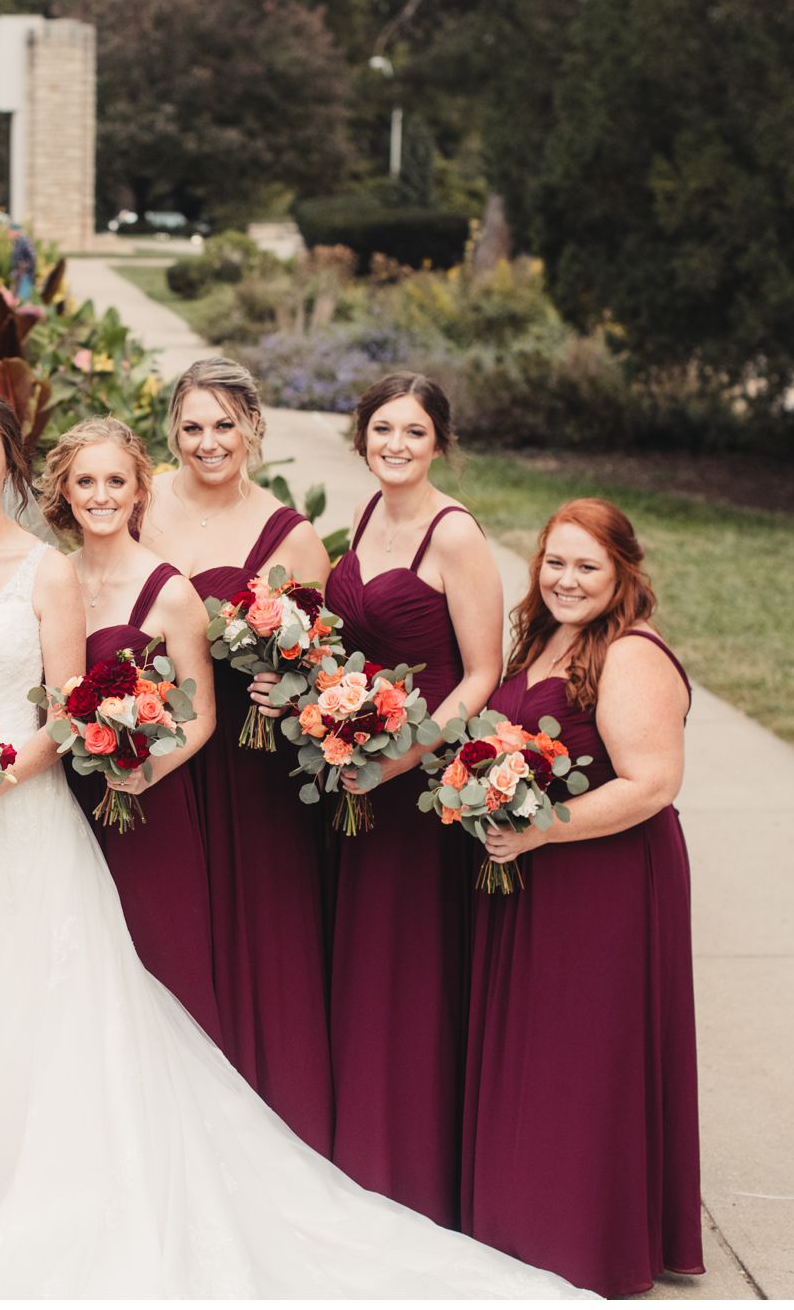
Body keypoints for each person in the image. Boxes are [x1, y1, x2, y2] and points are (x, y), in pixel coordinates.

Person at [0, 389, 588, 1299]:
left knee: (24, 1010)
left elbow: (61, 706)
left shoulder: (44, 572)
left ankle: (4, 1208)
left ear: (10, 471)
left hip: (11, 808)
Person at [462, 498, 703, 1295]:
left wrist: (540, 830)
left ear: (623, 572)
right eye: (554, 562)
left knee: (584, 1058)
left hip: (604, 878)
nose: (566, 580)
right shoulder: (545, 634)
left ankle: (583, 1239)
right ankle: (525, 1217)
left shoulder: (631, 654)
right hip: (537, 870)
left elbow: (652, 784)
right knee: (540, 1049)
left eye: (587, 567)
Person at [317, 372, 502, 1226]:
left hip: (421, 782)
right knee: (366, 959)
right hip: (358, 764)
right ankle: (365, 1153)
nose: (395, 445)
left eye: (413, 433)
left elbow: (482, 675)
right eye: (382, 429)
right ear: (362, 438)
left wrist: (403, 758)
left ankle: (419, 1170)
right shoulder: (364, 516)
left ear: (439, 444)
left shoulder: (453, 533)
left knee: (412, 964)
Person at [138, 357, 334, 1152]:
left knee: (259, 932)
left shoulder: (293, 535)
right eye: (192, 426)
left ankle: (265, 1127)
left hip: (252, 765)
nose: (208, 442)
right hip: (154, 756)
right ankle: (163, 1122)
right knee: (163, 931)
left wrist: (289, 689)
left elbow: (315, 662)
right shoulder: (140, 503)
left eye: (224, 424)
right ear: (172, 432)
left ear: (254, 428)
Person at [39, 418, 223, 1044]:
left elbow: (201, 715)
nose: (101, 495)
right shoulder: (48, 576)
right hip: (61, 802)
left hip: (148, 803)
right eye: (85, 480)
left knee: (156, 963)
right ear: (64, 490)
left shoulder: (170, 592)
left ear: (140, 489)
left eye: (116, 480)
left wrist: (146, 770)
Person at [8, 222, 36, 301]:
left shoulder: (24, 242)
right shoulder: (16, 243)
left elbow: (33, 258)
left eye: (10, 231)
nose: (8, 234)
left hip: (25, 277)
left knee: (23, 302)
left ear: (16, 231)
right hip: (18, 277)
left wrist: (24, 266)